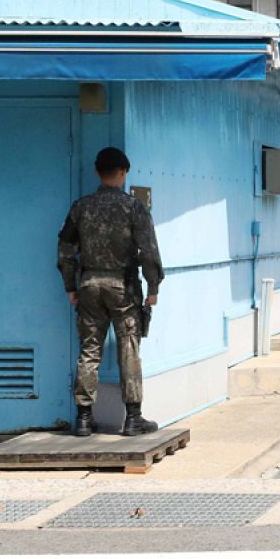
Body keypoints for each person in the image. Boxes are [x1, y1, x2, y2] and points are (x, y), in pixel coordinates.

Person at [57, 147, 165, 437]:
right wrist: (153, 287)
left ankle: (83, 418)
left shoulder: (80, 207)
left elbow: (65, 250)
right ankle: (133, 418)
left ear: (97, 172)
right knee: (128, 347)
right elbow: (149, 251)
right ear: (124, 172)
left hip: (89, 284)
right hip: (123, 287)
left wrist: (70, 285)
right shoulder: (134, 208)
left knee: (89, 349)